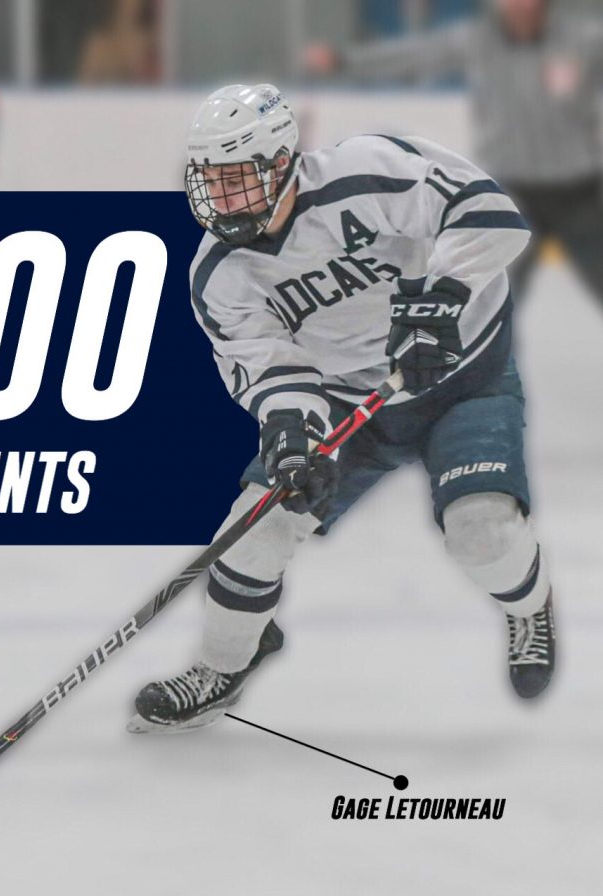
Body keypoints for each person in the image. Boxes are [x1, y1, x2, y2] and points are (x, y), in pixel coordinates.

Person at [129, 83, 555, 734]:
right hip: (346, 400)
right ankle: (224, 666)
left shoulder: (370, 172)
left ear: (281, 163)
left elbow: (489, 214)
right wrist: (292, 434)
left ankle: (529, 606)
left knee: (481, 532)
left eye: (237, 179)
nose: (221, 199)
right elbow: (268, 365)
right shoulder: (218, 274)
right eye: (209, 181)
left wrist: (440, 297)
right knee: (252, 533)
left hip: (464, 375)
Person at [303, 0, 603, 304]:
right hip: (511, 196)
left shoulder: (583, 39)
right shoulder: (475, 41)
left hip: (576, 193)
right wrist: (344, 61)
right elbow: (412, 55)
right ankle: (497, 352)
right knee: (492, 298)